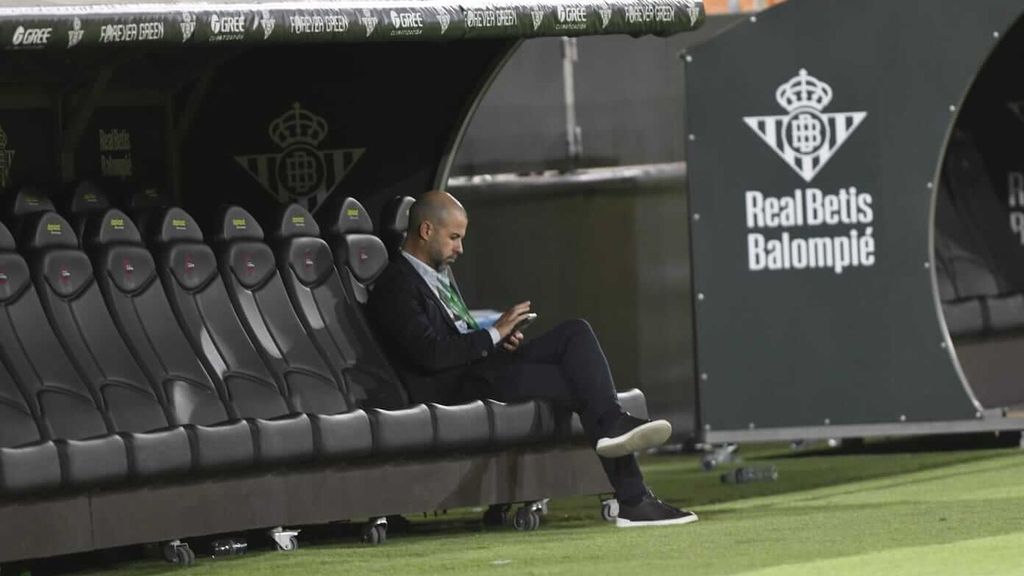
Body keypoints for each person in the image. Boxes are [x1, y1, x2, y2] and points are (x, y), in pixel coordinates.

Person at [368, 190, 697, 528]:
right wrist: (493, 334)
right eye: (454, 238)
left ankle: (616, 434)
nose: (460, 248)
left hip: (480, 370)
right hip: (454, 386)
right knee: (578, 386)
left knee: (575, 332)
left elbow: (457, 338)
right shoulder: (396, 284)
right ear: (426, 231)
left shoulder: (437, 276)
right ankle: (634, 498)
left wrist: (499, 342)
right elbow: (431, 354)